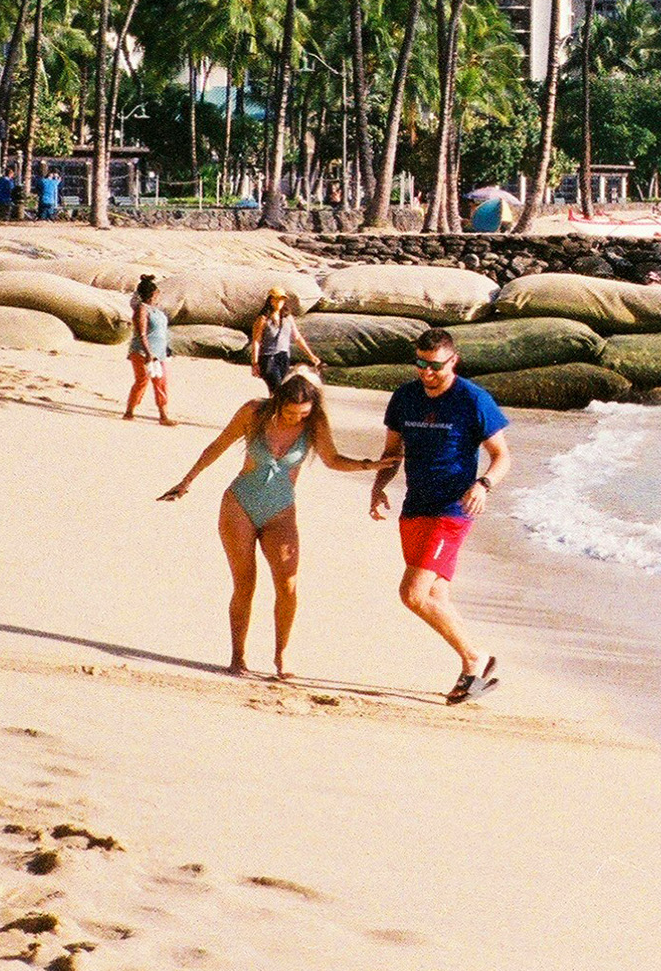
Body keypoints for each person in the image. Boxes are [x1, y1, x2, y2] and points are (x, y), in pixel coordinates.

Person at [160, 367, 354, 680]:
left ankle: (282, 656)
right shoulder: (254, 412)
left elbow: (333, 459)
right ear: (278, 402)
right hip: (240, 503)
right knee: (245, 584)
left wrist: (371, 466)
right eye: (290, 413)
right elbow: (219, 444)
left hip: (281, 510)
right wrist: (187, 481)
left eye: (302, 413)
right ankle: (238, 657)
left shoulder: (313, 422)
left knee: (288, 586)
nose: (296, 419)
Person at [372, 329, 510, 704]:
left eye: (434, 366)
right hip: (415, 505)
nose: (426, 373)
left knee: (412, 594)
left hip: (453, 508)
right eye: (420, 363)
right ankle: (472, 666)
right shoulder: (404, 397)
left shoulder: (473, 399)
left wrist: (483, 485)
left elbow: (502, 456)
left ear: (453, 361)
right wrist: (379, 484)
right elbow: (392, 452)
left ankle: (473, 660)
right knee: (435, 595)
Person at [125, 273, 174, 426]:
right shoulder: (142, 309)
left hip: (159, 352)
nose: (158, 296)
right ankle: (130, 410)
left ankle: (163, 415)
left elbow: (162, 333)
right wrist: (148, 353)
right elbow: (142, 333)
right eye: (156, 294)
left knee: (161, 382)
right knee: (142, 380)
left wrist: (166, 349)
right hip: (142, 351)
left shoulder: (157, 312)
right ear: (152, 294)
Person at [247, 289, 318, 391]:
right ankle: (273, 406)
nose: (279, 302)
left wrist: (311, 355)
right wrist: (255, 363)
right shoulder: (263, 319)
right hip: (268, 358)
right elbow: (256, 341)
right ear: (270, 300)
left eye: (282, 300)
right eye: (277, 299)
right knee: (277, 390)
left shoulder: (288, 317)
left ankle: (273, 406)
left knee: (283, 390)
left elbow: (297, 337)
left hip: (284, 357)